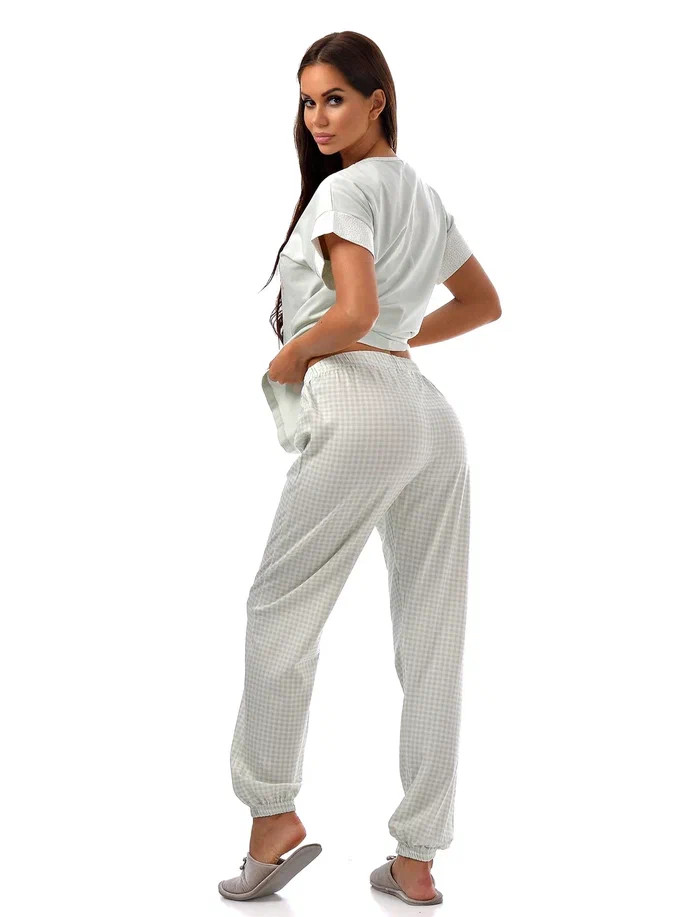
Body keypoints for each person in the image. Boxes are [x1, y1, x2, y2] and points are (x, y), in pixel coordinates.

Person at [219, 31, 500, 906]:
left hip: (361, 403)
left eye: (335, 98)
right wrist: (397, 339)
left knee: (280, 609)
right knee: (434, 635)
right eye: (308, 101)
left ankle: (272, 815)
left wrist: (290, 357)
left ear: (378, 100)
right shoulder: (420, 193)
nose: (318, 117)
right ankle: (417, 857)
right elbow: (482, 303)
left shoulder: (345, 191)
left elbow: (354, 310)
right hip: (430, 418)